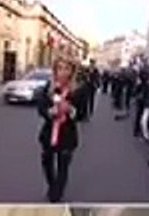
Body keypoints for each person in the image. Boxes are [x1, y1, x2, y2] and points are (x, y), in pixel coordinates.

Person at [35, 58, 83, 203]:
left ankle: (56, 195)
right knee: (47, 163)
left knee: (63, 166)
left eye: (66, 69)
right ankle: (52, 186)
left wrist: (70, 110)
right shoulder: (48, 88)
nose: (62, 72)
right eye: (59, 68)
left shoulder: (78, 90)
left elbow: (81, 113)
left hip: (67, 134)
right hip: (49, 134)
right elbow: (41, 108)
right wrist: (50, 112)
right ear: (55, 71)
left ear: (71, 72)